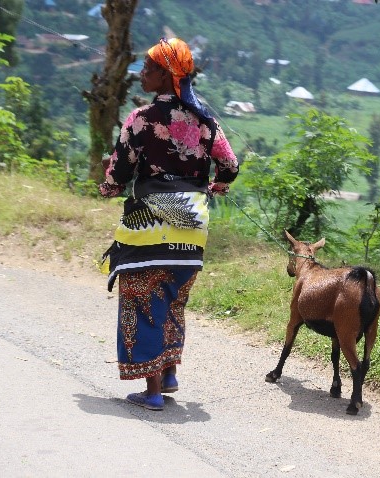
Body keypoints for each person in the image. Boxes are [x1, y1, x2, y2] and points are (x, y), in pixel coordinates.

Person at [98, 37, 238, 411]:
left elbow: (121, 170)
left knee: (143, 299)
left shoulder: (141, 119)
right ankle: (170, 372)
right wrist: (216, 187)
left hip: (151, 223)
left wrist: (109, 185)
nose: (142, 72)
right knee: (173, 299)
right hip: (192, 223)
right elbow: (231, 165)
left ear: (165, 75)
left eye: (148, 68)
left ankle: (154, 392)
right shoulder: (206, 120)